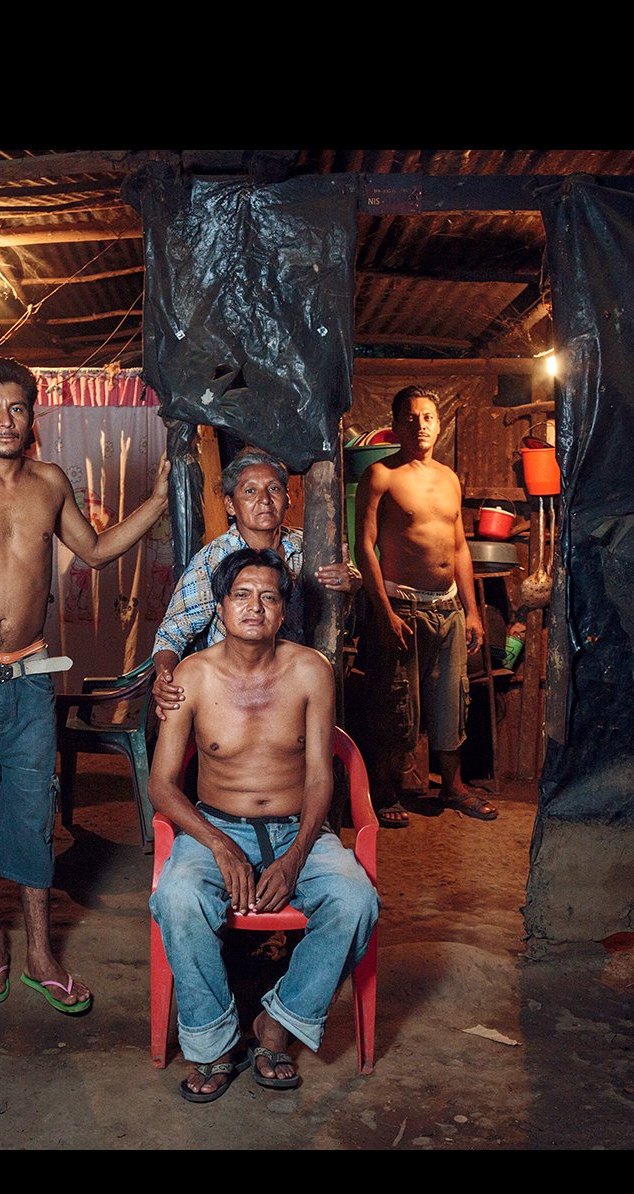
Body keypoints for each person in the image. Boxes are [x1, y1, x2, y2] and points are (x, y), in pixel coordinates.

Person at [0, 355, 171, 1013]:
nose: (6, 420)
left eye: (18, 407)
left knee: (31, 812)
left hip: (29, 679)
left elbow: (96, 550)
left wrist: (160, 502)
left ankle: (41, 953)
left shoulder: (49, 482)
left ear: (33, 416)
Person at [147, 547, 380, 1102]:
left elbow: (323, 777)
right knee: (177, 897)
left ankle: (277, 1025)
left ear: (282, 612)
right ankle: (212, 1044)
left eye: (269, 597)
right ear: (221, 607)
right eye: (242, 596)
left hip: (296, 829)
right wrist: (219, 845)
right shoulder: (192, 676)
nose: (255, 607)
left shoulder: (309, 671)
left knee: (355, 900)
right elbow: (160, 784)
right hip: (213, 827)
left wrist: (296, 854)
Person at [354, 386, 496, 826]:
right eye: (412, 418)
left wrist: (471, 611)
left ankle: (452, 787)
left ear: (439, 423)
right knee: (396, 701)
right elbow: (365, 547)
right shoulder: (381, 475)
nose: (421, 426)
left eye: (429, 417)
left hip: (448, 608)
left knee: (453, 699)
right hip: (403, 606)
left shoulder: (450, 478)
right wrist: (384, 610)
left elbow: (459, 549)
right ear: (395, 425)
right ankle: (384, 790)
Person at [150, 449, 359, 716]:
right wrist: (165, 678)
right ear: (229, 505)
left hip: (296, 691)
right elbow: (171, 634)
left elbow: (337, 622)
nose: (264, 500)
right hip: (229, 697)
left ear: (288, 499)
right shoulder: (214, 560)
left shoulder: (310, 549)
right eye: (249, 491)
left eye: (274, 489)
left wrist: (352, 585)